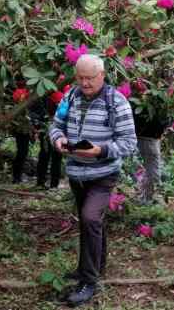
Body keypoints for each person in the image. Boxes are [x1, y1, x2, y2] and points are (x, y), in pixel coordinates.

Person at [49, 54, 137, 306]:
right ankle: (95, 266)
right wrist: (58, 140)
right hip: (77, 173)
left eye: (90, 78)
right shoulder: (70, 97)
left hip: (103, 174)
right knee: (91, 221)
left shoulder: (116, 102)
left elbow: (128, 142)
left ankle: (89, 282)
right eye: (80, 78)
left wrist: (100, 150)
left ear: (102, 75)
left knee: (89, 217)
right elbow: (56, 126)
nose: (85, 83)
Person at [133, 110, 170, 205]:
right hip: (148, 136)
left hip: (145, 135)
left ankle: (146, 199)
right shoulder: (159, 103)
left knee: (145, 169)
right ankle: (149, 200)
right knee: (151, 170)